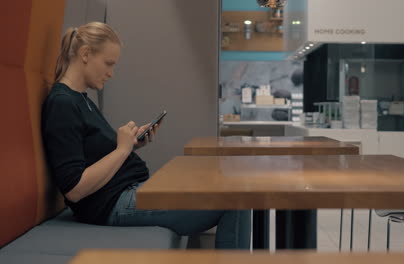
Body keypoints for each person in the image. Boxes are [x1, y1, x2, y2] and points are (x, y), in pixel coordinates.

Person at [41, 22, 251, 249]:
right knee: (236, 196)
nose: (111, 73)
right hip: (113, 204)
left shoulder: (80, 99)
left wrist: (131, 144)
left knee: (232, 186)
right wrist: (122, 149)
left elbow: (96, 155)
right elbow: (74, 189)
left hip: (130, 191)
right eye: (108, 64)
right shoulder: (62, 103)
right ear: (85, 54)